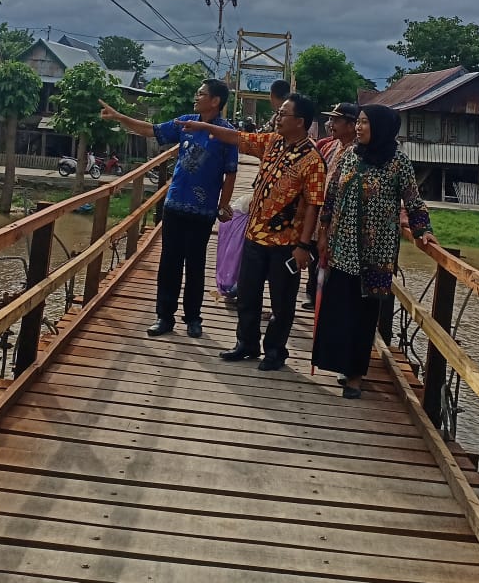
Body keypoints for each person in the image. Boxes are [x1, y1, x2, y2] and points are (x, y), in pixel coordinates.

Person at [179, 92, 325, 370]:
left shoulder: (313, 160)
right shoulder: (271, 142)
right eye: (278, 113)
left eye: (284, 115)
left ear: (300, 122)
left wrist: (304, 246)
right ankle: (246, 343)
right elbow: (237, 138)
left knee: (282, 302)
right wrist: (204, 126)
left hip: (287, 242)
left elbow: (313, 207)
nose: (277, 118)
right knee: (247, 294)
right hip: (255, 234)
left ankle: (275, 351)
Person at [312, 104, 438, 399]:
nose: (359, 128)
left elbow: (413, 200)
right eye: (358, 122)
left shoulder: (398, 163)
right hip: (342, 250)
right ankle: (341, 364)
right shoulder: (349, 158)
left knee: (363, 316)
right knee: (340, 311)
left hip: (376, 256)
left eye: (365, 123)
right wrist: (323, 232)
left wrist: (422, 231)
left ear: (381, 127)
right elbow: (331, 197)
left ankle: (356, 376)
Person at [99, 80, 238, 339]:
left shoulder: (226, 133)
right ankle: (164, 317)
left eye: (201, 93)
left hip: (203, 209)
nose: (196, 96)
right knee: (169, 262)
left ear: (215, 101)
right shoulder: (185, 122)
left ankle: (193, 318)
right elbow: (152, 131)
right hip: (174, 204)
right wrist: (119, 117)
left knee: (195, 264)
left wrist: (223, 204)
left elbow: (231, 173)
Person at [302, 101, 359, 311]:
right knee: (314, 256)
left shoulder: (358, 153)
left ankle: (324, 299)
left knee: (329, 262)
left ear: (351, 125)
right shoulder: (329, 145)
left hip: (340, 221)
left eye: (336, 120)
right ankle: (313, 295)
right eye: (330, 119)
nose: (330, 124)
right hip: (319, 214)